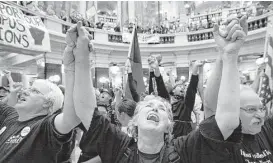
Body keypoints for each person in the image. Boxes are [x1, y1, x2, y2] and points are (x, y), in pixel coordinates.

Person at [75, 15, 248, 163]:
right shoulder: (117, 146)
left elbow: (227, 121)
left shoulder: (185, 150)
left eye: (163, 109)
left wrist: (230, 56)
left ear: (169, 127)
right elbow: (86, 110)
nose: (155, 108)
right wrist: (81, 59)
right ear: (133, 121)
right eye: (148, 106)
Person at [0, 21, 94, 162]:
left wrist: (77, 63)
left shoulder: (45, 128)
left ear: (47, 103)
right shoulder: (11, 116)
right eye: (28, 88)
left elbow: (75, 115)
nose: (25, 91)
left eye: (34, 91)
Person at [204, 16, 273, 162]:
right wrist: (226, 55)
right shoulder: (224, 136)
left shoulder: (266, 130)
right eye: (251, 109)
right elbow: (211, 105)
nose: (260, 115)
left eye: (261, 109)